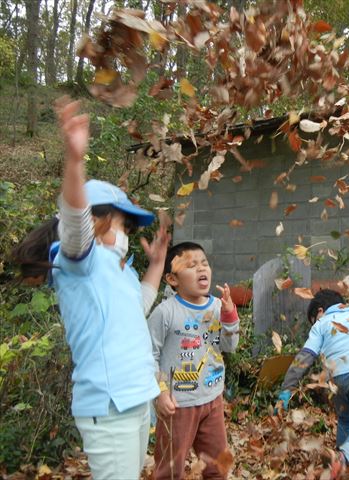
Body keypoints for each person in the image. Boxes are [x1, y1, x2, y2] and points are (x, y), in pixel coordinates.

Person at [12, 97, 170, 479]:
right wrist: (74, 162)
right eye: (122, 224)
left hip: (136, 400)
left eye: (131, 230)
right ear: (97, 222)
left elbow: (140, 306)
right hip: (109, 405)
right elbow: (74, 222)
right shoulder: (78, 261)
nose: (127, 235)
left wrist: (157, 266)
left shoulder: (119, 271)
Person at [148, 241, 239, 480]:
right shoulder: (165, 312)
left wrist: (230, 316)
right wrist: (160, 392)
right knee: (169, 470)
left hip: (212, 400)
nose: (201, 269)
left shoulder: (219, 306)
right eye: (191, 265)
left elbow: (230, 346)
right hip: (176, 406)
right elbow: (149, 356)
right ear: (172, 279)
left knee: (217, 467)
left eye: (204, 263)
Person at [276, 289, 349, 478]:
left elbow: (305, 358)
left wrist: (287, 388)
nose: (313, 324)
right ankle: (342, 459)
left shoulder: (322, 323)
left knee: (346, 420)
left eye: (313, 319)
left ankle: (339, 461)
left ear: (321, 311)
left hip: (337, 379)